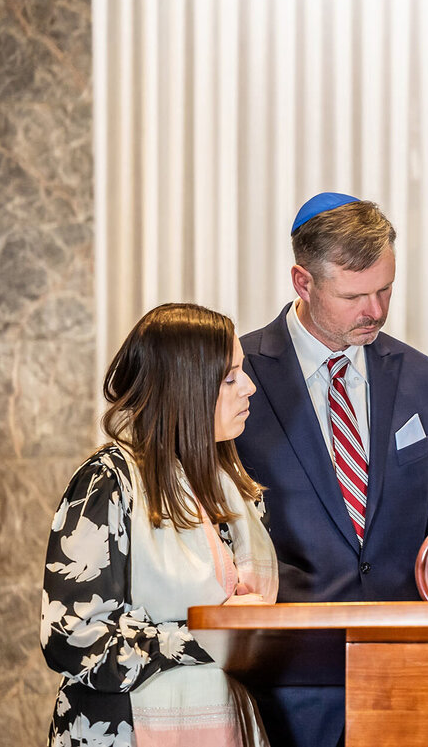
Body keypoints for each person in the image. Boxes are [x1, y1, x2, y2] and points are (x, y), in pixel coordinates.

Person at [235, 192, 428, 746]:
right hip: (284, 681)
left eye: (385, 290)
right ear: (302, 282)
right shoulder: (236, 379)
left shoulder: (425, 379)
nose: (376, 311)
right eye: (354, 295)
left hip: (405, 676)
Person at [41, 303, 277, 746]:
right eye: (229, 378)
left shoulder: (231, 484)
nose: (249, 387)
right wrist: (207, 636)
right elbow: (71, 639)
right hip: (124, 730)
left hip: (225, 723)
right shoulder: (107, 482)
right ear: (185, 388)